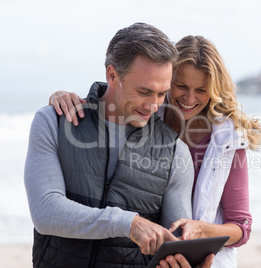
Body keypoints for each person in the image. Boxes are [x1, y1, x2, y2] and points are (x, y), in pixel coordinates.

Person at [50, 35, 261, 268]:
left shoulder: (229, 140)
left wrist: (201, 229)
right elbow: (113, 102)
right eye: (181, 86)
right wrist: (63, 98)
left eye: (201, 90)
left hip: (207, 261)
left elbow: (242, 227)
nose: (189, 98)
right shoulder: (145, 115)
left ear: (213, 91)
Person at [25, 23, 214, 268]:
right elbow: (46, 212)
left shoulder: (176, 152)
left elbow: (174, 242)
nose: (153, 106)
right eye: (144, 91)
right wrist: (128, 223)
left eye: (161, 94)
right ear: (112, 75)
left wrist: (186, 262)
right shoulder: (54, 122)